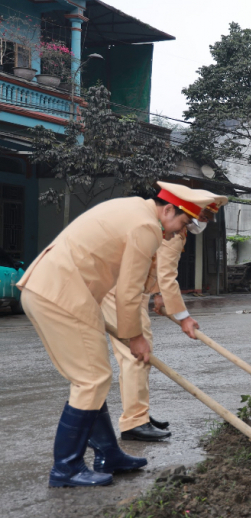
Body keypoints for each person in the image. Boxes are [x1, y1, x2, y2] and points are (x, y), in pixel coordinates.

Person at [16, 182, 216, 487]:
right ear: (169, 209)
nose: (178, 232)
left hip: (59, 289)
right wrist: (135, 337)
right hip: (61, 293)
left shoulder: (136, 208)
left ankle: (109, 453)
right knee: (91, 379)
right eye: (183, 223)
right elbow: (128, 291)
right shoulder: (147, 227)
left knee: (95, 377)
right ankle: (65, 469)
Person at [101, 187, 228, 441]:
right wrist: (183, 317)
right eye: (196, 218)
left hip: (131, 291)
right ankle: (134, 421)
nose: (190, 226)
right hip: (120, 292)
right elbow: (167, 276)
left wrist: (158, 296)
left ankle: (138, 415)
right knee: (136, 355)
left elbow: (155, 266)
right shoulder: (161, 229)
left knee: (141, 355)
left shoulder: (166, 228)